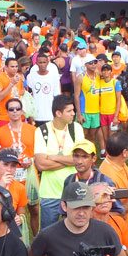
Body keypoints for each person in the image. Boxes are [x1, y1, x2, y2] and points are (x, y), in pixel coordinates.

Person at [34, 95, 86, 230]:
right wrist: (69, 160)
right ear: (58, 113)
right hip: (49, 193)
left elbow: (80, 159)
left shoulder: (76, 128)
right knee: (47, 233)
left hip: (73, 191)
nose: (73, 114)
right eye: (69, 111)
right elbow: (40, 164)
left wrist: (53, 157)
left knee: (73, 231)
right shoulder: (41, 131)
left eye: (73, 110)